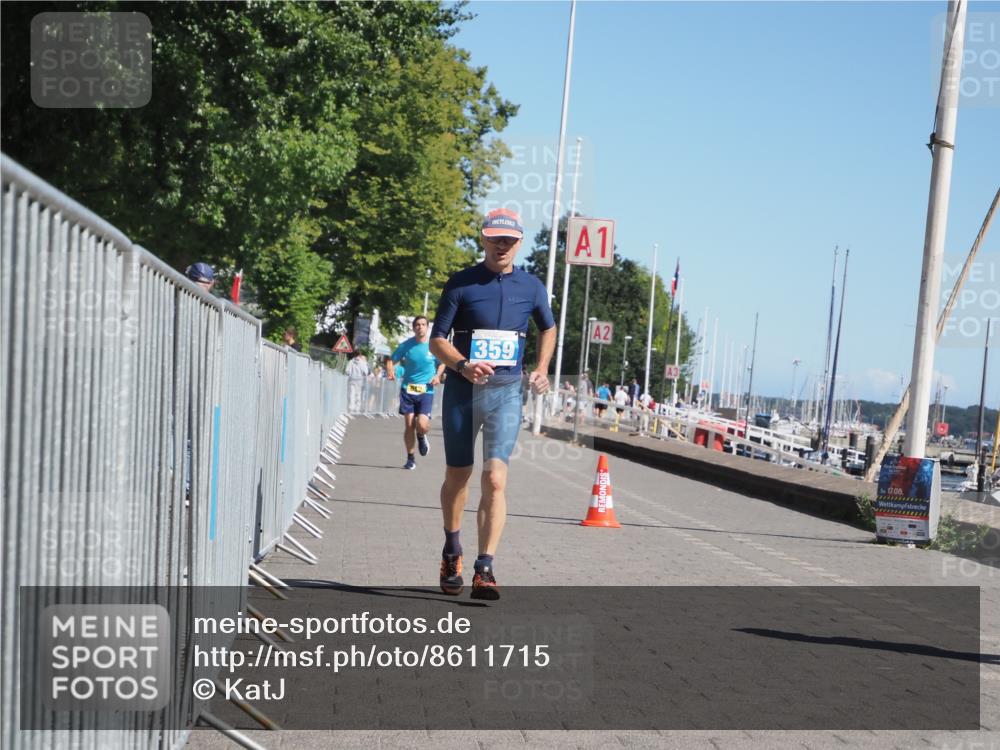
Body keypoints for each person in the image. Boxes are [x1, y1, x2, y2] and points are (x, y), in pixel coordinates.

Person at [429, 208, 556, 600]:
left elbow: (548, 328)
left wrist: (541, 368)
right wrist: (463, 365)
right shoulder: (461, 284)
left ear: (519, 243)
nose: (502, 245)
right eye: (495, 238)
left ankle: (485, 567)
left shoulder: (532, 287)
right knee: (459, 476)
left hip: (505, 392)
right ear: (483, 239)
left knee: (496, 479)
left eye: (510, 240)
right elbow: (437, 339)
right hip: (462, 392)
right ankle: (453, 549)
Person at [386, 316, 445, 470]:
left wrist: (437, 376)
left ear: (427, 327)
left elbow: (443, 362)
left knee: (422, 424)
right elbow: (391, 360)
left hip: (426, 390)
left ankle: (421, 435)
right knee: (409, 425)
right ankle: (410, 458)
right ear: (413, 328)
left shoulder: (433, 346)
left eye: (423, 324)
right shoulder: (406, 345)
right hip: (408, 389)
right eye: (417, 325)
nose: (420, 327)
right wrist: (391, 371)